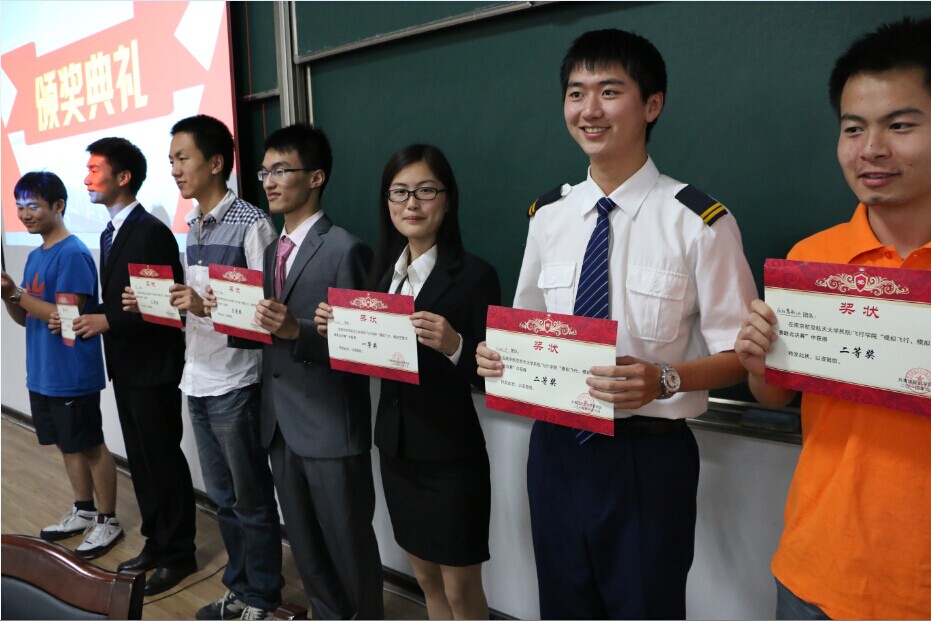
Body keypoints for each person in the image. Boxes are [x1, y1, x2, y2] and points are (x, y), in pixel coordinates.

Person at [476, 29, 757, 619]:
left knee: (646, 607)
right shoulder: (548, 216)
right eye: (576, 93)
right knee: (562, 604)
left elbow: (745, 355)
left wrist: (667, 378)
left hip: (647, 459)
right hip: (556, 449)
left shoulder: (698, 221)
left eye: (609, 91)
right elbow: (527, 327)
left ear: (651, 104)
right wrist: (497, 356)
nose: (589, 110)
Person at [734, 17, 931, 620]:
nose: (872, 149)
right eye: (853, 128)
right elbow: (774, 394)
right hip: (819, 572)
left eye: (900, 125)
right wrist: (758, 361)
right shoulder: (810, 262)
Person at [315, 145, 501, 619]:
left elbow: (494, 378)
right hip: (397, 451)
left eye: (425, 191)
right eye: (399, 193)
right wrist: (338, 330)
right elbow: (374, 358)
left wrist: (455, 345)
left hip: (450, 457)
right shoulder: (382, 277)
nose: (411, 204)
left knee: (460, 590)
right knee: (426, 582)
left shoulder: (475, 275)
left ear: (447, 199)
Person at [123, 115, 282, 619]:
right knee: (223, 500)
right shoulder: (192, 226)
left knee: (250, 499)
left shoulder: (253, 224)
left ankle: (263, 597)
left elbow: (265, 313)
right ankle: (239, 587)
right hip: (197, 378)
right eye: (171, 159)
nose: (174, 169)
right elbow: (198, 306)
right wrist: (157, 303)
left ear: (216, 163)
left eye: (182, 158)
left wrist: (200, 306)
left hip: (237, 380)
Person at [252, 123, 383, 620]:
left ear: (316, 177)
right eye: (265, 172)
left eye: (281, 170)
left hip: (330, 428)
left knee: (349, 549)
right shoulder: (272, 250)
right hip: (279, 425)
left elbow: (361, 348)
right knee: (306, 549)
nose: (269, 181)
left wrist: (297, 332)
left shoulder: (345, 248)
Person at [75, 137, 197, 596]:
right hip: (127, 366)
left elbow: (164, 306)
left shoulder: (148, 231)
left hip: (153, 369)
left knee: (162, 461)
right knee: (142, 465)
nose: (87, 178)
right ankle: (156, 542)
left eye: (95, 170)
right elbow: (123, 300)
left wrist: (108, 319)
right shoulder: (110, 231)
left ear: (123, 177)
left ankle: (178, 554)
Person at [1, 171, 123, 559]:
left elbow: (67, 317)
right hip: (43, 372)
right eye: (19, 206)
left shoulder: (72, 254)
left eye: (33, 205)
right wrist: (8, 297)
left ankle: (108, 520)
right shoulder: (35, 255)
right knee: (67, 445)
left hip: (72, 373)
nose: (24, 214)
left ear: (59, 206)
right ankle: (84, 510)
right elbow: (28, 318)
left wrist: (18, 293)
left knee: (89, 445)